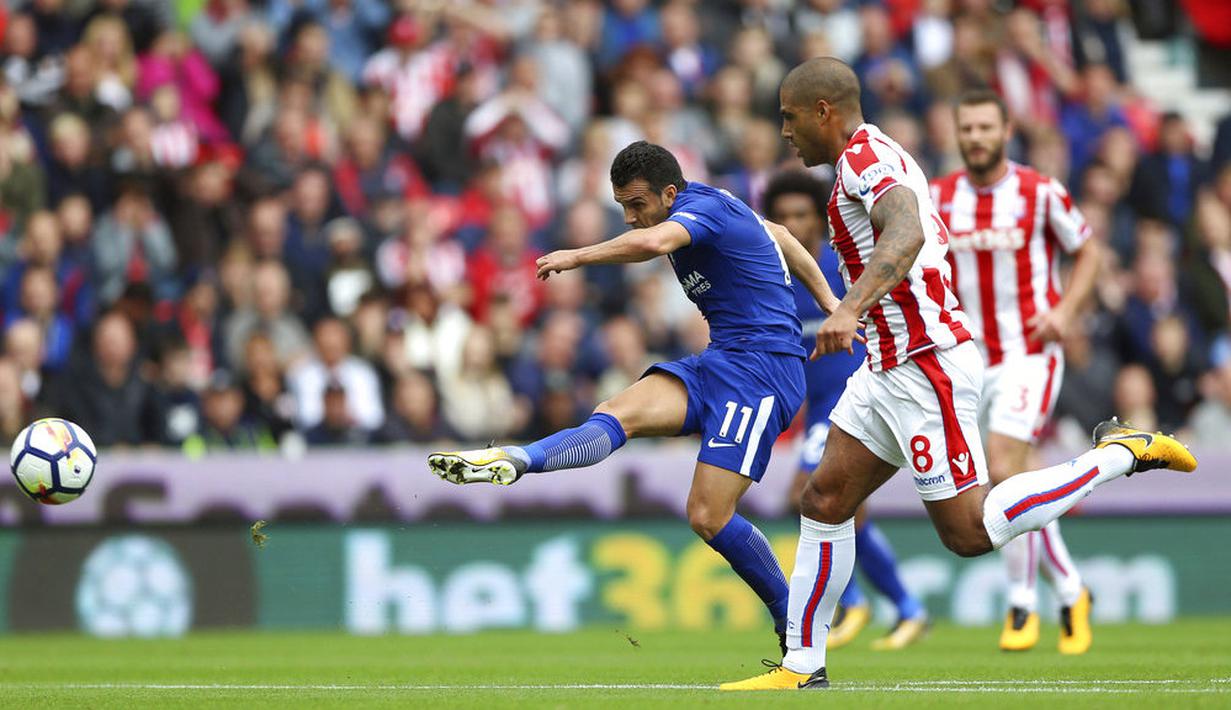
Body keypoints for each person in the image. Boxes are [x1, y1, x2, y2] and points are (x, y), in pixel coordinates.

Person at [721, 57, 1196, 691]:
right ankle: (802, 666)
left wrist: (850, 307)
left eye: (788, 117)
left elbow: (909, 230)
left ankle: (1117, 455)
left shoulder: (867, 161)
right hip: (885, 365)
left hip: (924, 364)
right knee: (825, 499)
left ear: (823, 112)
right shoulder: (862, 160)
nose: (783, 131)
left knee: (969, 534)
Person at [430, 140, 843, 656]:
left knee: (708, 515)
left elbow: (655, 245)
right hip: (720, 362)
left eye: (637, 205)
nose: (629, 218)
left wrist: (577, 255)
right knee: (614, 414)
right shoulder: (714, 206)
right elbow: (779, 234)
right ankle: (519, 458)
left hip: (764, 372)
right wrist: (832, 302)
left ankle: (796, 629)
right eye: (622, 206)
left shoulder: (703, 211)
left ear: (671, 193)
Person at [932, 89, 1104, 655]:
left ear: (1007, 130)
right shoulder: (939, 198)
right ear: (957, 134)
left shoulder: (1039, 191)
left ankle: (1020, 603)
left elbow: (1089, 251)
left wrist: (1066, 310)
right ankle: (1073, 591)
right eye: (967, 128)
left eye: (986, 127)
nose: (976, 137)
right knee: (1007, 487)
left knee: (1005, 470)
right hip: (970, 362)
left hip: (1030, 354)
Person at [766, 170, 927, 651]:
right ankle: (905, 607)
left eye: (802, 215)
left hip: (854, 398)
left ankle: (854, 601)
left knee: (811, 492)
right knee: (841, 505)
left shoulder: (839, 265)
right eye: (784, 217)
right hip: (818, 408)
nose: (794, 224)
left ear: (819, 219)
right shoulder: (772, 274)